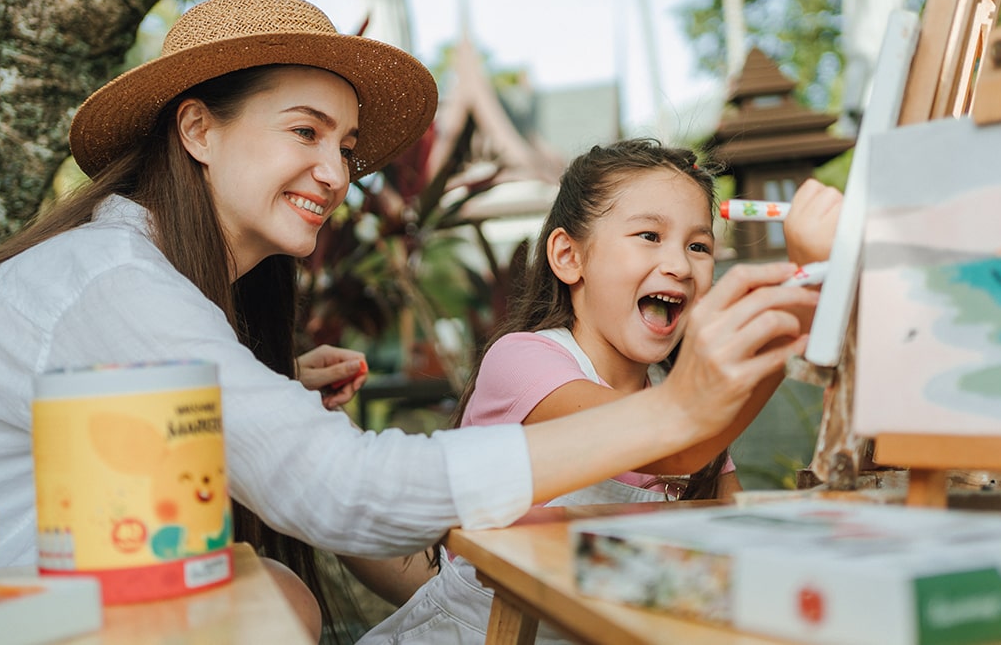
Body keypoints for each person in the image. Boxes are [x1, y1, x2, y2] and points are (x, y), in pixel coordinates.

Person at [0, 0, 819, 639]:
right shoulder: (113, 281)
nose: (332, 171)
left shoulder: (140, 282)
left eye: (344, 147)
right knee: (272, 603)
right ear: (198, 126)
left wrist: (256, 404)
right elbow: (338, 494)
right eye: (303, 131)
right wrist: (676, 411)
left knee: (276, 595)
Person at [358, 140, 837, 643]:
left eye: (699, 245)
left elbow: (726, 544)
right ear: (569, 256)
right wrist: (805, 292)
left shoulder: (679, 399)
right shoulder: (525, 361)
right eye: (649, 235)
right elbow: (677, 443)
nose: (678, 263)